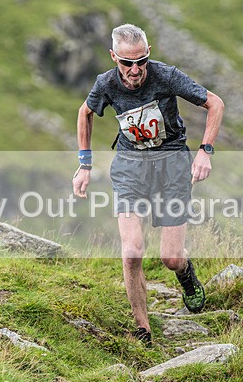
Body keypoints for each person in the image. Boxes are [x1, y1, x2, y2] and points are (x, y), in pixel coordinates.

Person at [72, 23, 224, 344]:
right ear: (114, 57)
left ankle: (185, 274)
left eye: (141, 61)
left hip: (172, 165)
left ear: (148, 54)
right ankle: (143, 328)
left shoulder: (165, 75)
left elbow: (215, 104)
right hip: (130, 168)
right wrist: (84, 166)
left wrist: (205, 152)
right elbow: (84, 113)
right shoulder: (106, 84)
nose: (135, 69)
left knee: (171, 257)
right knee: (132, 252)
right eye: (127, 63)